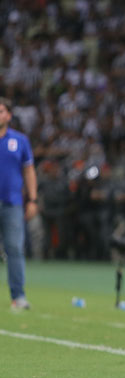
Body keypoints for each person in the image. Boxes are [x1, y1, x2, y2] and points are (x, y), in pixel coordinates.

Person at [0, 97, 38, 309]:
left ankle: (18, 296)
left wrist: (32, 199)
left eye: (1, 111)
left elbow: (29, 170)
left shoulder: (20, 140)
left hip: (12, 203)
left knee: (14, 248)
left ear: (9, 115)